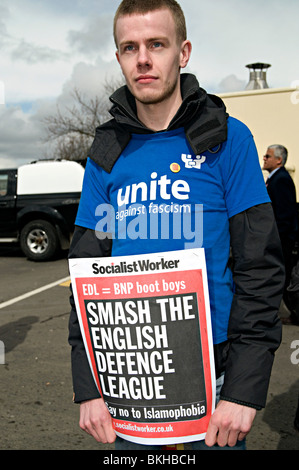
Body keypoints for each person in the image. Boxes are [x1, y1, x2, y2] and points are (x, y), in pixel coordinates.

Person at [68, 0, 284, 450]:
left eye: (157, 44)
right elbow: (86, 272)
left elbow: (259, 267)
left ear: (182, 53)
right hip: (129, 382)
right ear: (119, 58)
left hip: (216, 384)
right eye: (130, 47)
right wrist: (88, 385)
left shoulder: (227, 139)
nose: (143, 58)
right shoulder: (107, 151)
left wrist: (244, 390)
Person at [263, 145, 298, 315]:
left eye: (268, 156)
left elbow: (284, 213)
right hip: (278, 236)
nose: (264, 158)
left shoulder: (281, 179)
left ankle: (288, 311)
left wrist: (275, 237)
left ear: (279, 160)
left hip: (281, 238)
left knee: (281, 274)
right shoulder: (275, 178)